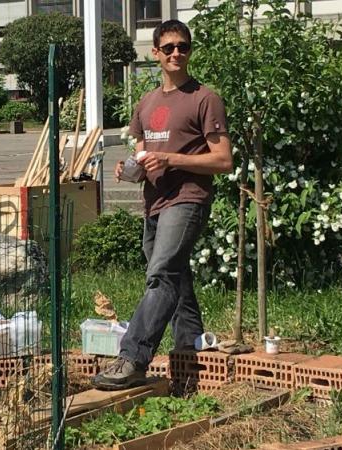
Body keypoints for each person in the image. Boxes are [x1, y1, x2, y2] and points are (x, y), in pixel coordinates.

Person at [93, 19, 233, 390]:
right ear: (155, 52)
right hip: (154, 202)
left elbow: (223, 160)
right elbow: (144, 157)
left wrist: (171, 159)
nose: (176, 53)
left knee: (162, 275)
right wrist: (131, 169)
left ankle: (133, 358)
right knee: (176, 276)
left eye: (183, 47)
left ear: (189, 51)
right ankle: (190, 348)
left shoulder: (204, 98)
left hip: (187, 199)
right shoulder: (147, 103)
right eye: (168, 47)